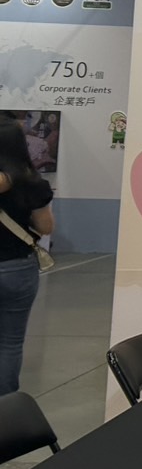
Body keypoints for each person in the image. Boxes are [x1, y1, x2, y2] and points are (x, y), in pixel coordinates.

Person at [0, 117, 55, 395]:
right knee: (10, 343)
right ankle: (5, 407)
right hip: (17, 268)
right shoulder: (33, 183)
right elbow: (45, 227)